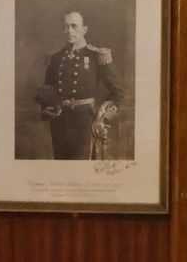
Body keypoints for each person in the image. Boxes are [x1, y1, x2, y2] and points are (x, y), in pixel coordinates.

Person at [35, 11, 124, 160]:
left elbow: (118, 92)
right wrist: (47, 108)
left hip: (84, 123)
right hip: (59, 124)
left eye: (74, 26)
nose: (69, 30)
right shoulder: (56, 58)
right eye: (66, 26)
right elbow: (47, 89)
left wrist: (103, 117)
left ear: (84, 29)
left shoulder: (96, 56)